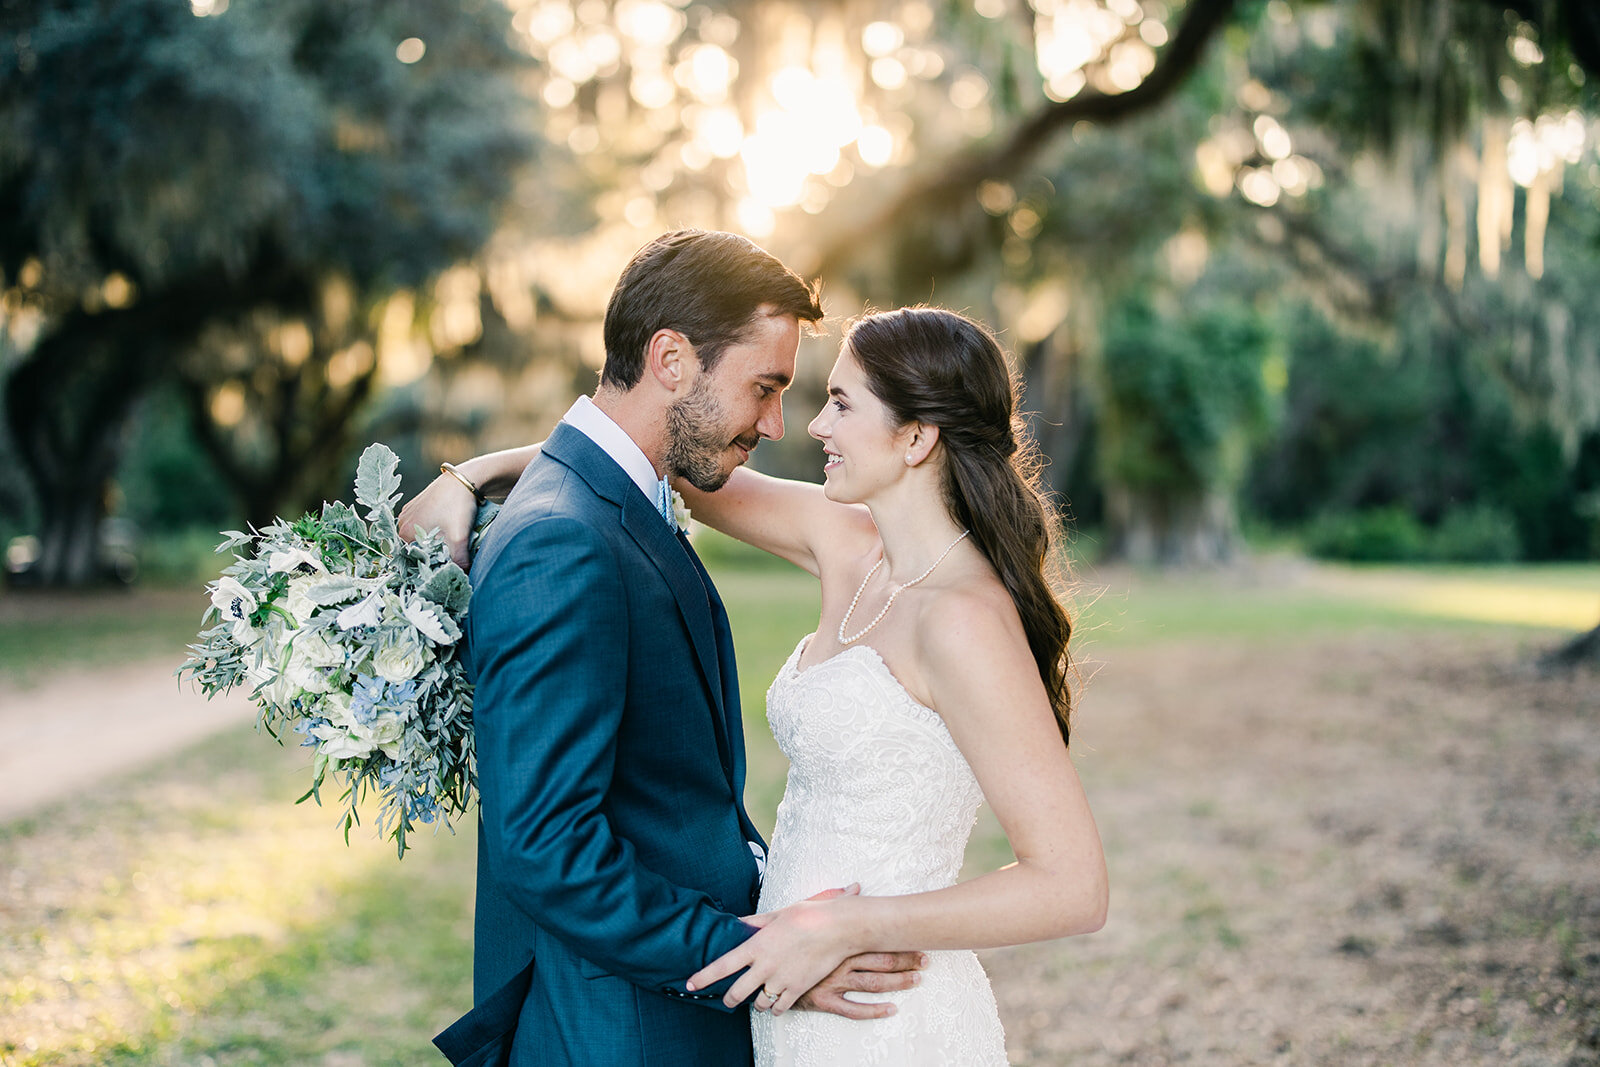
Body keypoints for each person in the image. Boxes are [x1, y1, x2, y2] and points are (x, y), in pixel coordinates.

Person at [410, 301, 1109, 1064]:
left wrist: (850, 926)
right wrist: (471, 474)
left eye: (842, 404)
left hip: (881, 1007)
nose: (810, 426)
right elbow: (638, 456)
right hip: (784, 998)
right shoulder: (845, 540)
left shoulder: (964, 620)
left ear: (916, 436)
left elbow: (1072, 884)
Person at [411, 230, 926, 1067]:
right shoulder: (562, 540)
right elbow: (545, 848)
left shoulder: (614, 499)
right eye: (764, 388)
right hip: (625, 1030)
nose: (775, 421)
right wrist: (748, 954)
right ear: (672, 358)